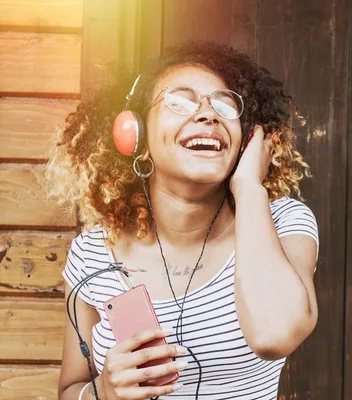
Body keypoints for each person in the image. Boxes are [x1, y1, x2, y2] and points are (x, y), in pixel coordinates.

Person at [48, 41, 319, 400]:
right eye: (180, 101)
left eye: (225, 105)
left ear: (246, 140)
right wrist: (103, 392)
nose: (209, 115)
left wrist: (250, 187)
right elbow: (69, 390)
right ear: (136, 136)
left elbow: (274, 335)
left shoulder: (282, 223)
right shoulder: (92, 253)